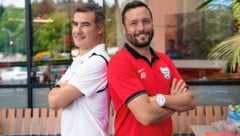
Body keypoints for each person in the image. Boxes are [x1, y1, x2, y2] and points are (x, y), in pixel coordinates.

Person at [107, 1, 196, 136]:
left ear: (152, 24)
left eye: (146, 21)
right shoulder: (120, 62)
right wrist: (175, 102)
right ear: (124, 29)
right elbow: (146, 116)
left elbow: (190, 101)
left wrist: (160, 99)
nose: (141, 28)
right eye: (133, 23)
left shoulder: (165, 60)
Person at [48, 3, 110, 136]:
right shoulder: (80, 60)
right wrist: (59, 89)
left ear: (99, 29)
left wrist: (57, 88)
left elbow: (54, 102)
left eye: (85, 25)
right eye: (75, 24)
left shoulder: (97, 62)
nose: (78, 30)